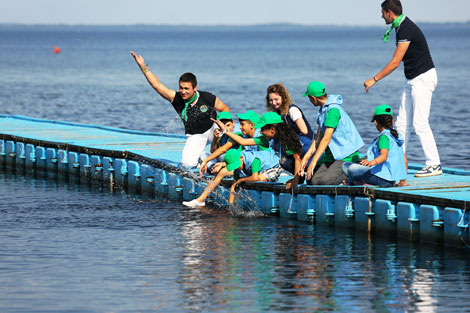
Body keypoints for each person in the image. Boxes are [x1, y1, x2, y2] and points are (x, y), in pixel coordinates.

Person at [363, 0, 441, 177]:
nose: (381, 15)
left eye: (382, 12)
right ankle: (398, 158)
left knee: (420, 123)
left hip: (422, 78)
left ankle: (434, 164)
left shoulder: (405, 28)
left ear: (390, 12)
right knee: (402, 123)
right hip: (412, 79)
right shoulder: (400, 27)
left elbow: (395, 62)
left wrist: (374, 79)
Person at [130, 51, 230, 168]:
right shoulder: (176, 98)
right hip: (196, 135)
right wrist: (143, 66)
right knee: (187, 164)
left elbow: (225, 109)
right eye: (181, 88)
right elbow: (157, 85)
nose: (183, 91)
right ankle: (203, 156)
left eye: (186, 88)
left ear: (195, 88)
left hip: (213, 129)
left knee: (226, 137)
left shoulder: (207, 97)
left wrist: (224, 128)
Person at [183, 111, 275, 208]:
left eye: (242, 124)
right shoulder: (243, 135)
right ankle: (229, 206)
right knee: (215, 163)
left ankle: (202, 200)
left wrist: (218, 163)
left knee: (223, 172)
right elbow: (226, 149)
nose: (239, 127)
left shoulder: (261, 137)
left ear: (252, 125)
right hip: (248, 166)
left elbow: (238, 145)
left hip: (261, 168)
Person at [299, 81, 364, 185]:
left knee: (326, 181)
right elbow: (318, 138)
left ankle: (355, 171)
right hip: (332, 156)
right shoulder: (323, 111)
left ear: (313, 98)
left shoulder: (332, 111)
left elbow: (326, 138)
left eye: (309, 98)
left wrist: (314, 161)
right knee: (313, 181)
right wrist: (306, 159)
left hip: (346, 156)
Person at [342, 104, 407, 187]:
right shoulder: (395, 136)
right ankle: (361, 181)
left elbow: (384, 156)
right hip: (391, 180)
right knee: (349, 165)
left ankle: (352, 182)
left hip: (382, 180)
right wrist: (402, 181)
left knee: (349, 167)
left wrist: (371, 163)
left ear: (376, 122)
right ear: (392, 121)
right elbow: (404, 160)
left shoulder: (384, 138)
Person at [198, 110, 261, 177]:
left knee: (220, 157)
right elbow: (213, 151)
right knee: (204, 154)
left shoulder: (239, 134)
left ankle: (219, 172)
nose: (224, 127)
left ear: (233, 123)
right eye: (222, 125)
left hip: (239, 162)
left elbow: (224, 149)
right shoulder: (223, 134)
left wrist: (206, 161)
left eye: (228, 125)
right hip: (231, 161)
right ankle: (215, 170)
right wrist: (215, 139)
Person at [266, 83, 314, 154]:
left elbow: (304, 131)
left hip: (307, 143)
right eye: (271, 100)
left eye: (276, 99)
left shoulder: (292, 110)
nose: (273, 103)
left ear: (283, 97)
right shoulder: (277, 112)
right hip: (293, 144)